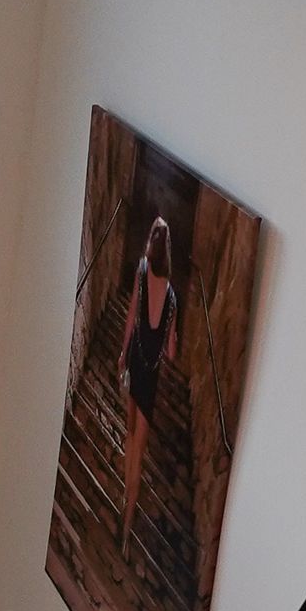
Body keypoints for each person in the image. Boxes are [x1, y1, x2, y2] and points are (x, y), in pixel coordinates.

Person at [117, 216, 179, 558]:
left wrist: (122, 354)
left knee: (128, 436)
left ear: (150, 246)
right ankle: (126, 530)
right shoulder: (172, 296)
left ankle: (122, 495)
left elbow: (130, 318)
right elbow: (171, 351)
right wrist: (175, 333)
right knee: (138, 449)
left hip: (136, 363)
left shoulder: (142, 271)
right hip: (151, 377)